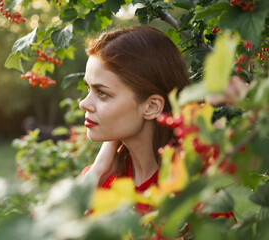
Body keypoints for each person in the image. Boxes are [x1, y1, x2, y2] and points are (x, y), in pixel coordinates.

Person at [79, 26, 190, 192]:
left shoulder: (193, 195)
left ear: (151, 107)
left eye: (102, 93)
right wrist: (97, 172)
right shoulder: (97, 179)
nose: (83, 104)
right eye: (89, 89)